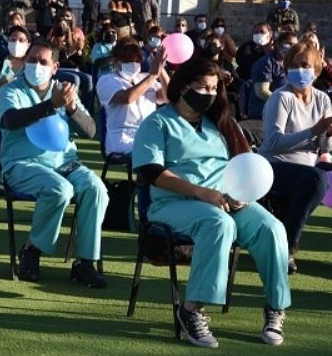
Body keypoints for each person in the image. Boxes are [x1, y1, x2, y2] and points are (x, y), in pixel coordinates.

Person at [132, 57, 290, 349]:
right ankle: (191, 310)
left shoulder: (221, 123)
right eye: (203, 87)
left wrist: (242, 195)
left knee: (271, 228)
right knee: (218, 224)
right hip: (173, 204)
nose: (210, 94)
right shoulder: (157, 122)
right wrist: (201, 193)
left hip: (225, 201)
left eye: (215, 89)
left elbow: (244, 166)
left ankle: (275, 307)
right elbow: (151, 172)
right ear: (183, 87)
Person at [0, 41, 108, 285]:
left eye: (43, 62)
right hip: (23, 163)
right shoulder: (11, 89)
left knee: (96, 189)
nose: (36, 65)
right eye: (31, 60)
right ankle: (32, 249)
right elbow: (10, 121)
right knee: (60, 189)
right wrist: (51, 105)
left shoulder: (64, 90)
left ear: (55, 67)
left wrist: (71, 108)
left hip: (64, 163)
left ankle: (85, 262)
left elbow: (90, 131)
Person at [258, 43, 330, 274]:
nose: (299, 70)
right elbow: (272, 142)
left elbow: (323, 147)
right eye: (294, 65)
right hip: (273, 166)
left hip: (305, 169)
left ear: (316, 70)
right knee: (316, 179)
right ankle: (288, 246)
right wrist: (313, 131)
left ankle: (283, 229)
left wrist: (327, 135)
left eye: (305, 65)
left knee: (319, 177)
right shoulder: (281, 98)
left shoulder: (323, 100)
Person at [96, 37, 168, 156]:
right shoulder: (106, 80)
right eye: (129, 60)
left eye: (138, 59)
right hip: (122, 140)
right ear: (116, 60)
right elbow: (128, 98)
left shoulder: (144, 78)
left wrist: (160, 69)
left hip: (149, 135)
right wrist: (153, 76)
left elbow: (168, 97)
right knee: (150, 154)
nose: (134, 63)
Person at [249, 31, 296, 119]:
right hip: (264, 114)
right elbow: (262, 92)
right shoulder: (266, 63)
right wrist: (284, 104)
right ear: (278, 44)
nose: (291, 48)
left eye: (294, 45)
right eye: (288, 44)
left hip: (286, 114)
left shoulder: (291, 64)